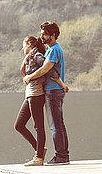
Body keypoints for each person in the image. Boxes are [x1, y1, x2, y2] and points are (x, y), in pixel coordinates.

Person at [14, 36, 67, 166]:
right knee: (19, 125)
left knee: (39, 126)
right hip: (29, 94)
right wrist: (26, 59)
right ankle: (40, 149)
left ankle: (38, 158)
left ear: (29, 44)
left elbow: (50, 71)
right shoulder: (30, 56)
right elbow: (23, 70)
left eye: (24, 45)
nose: (22, 48)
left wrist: (62, 84)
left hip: (36, 95)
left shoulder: (37, 56)